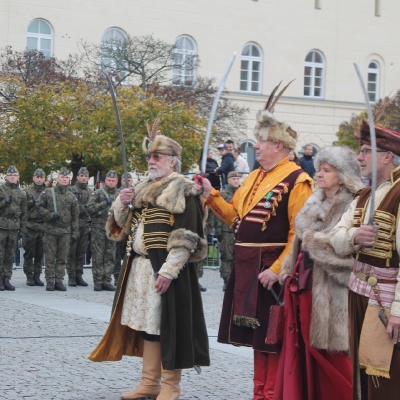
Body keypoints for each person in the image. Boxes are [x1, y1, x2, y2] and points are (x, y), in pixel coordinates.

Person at [196, 105, 313, 400]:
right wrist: (210, 192)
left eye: (261, 141)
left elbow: (298, 235)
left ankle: (272, 394)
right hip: (248, 265)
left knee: (272, 337)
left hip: (271, 269)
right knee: (258, 338)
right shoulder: (254, 177)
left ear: (279, 145)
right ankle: (259, 392)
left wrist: (278, 270)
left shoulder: (298, 181)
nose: (256, 146)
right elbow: (234, 214)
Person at [88, 131, 210, 400]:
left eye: (157, 156)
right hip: (139, 267)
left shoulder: (184, 190)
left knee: (167, 326)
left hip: (167, 269)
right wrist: (122, 201)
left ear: (173, 161)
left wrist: (168, 271)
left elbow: (186, 237)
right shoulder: (143, 187)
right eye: (149, 157)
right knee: (147, 326)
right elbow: (121, 226)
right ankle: (149, 382)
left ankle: (170, 386)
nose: (151, 161)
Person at [274, 146, 364, 400]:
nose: (320, 174)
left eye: (327, 170)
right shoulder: (314, 201)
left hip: (332, 293)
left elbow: (350, 252)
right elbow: (298, 242)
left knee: (333, 360)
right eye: (319, 169)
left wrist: (315, 242)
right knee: (300, 350)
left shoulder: (354, 205)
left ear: (343, 174)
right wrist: (288, 267)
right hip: (302, 287)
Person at [330, 120, 400, 400]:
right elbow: (335, 237)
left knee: (384, 376)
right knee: (361, 378)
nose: (359, 157)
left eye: (366, 150)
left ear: (387, 156)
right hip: (358, 295)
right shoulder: (365, 194)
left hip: (384, 301)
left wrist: (398, 311)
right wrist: (355, 236)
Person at [37, 167, 79, 291]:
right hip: (50, 230)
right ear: (57, 179)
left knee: (62, 258)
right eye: (62, 177)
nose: (64, 179)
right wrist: (49, 215)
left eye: (66, 177)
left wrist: (75, 233)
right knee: (50, 258)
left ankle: (59, 280)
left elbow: (75, 217)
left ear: (69, 179)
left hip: (65, 232)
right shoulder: (48, 193)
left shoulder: (72, 196)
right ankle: (50, 281)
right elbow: (38, 206)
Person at [86, 170, 119, 291]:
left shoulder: (120, 194)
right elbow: (89, 208)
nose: (111, 182)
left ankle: (107, 280)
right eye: (109, 180)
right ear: (105, 181)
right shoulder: (98, 193)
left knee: (110, 255)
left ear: (116, 182)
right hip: (99, 228)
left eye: (113, 180)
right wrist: (104, 203)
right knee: (98, 255)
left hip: (113, 228)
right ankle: (98, 281)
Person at [0, 166, 27, 291]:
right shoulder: (1, 189)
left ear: (18, 177)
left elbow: (24, 213)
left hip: (14, 228)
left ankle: (7, 278)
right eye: (10, 175)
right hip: (2, 227)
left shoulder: (22, 193)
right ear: (6, 176)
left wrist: (22, 230)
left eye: (15, 175)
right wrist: (3, 202)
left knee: (10, 254)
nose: (12, 177)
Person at [215, 171, 241, 291]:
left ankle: (236, 279)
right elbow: (219, 212)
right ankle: (226, 279)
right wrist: (218, 230)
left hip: (239, 229)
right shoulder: (224, 194)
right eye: (234, 179)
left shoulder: (242, 193)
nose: (236, 181)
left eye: (237, 178)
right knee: (226, 256)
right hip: (226, 230)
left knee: (238, 256)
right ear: (229, 181)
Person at [66, 167, 92, 287]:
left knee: (81, 252)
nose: (83, 178)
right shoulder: (71, 190)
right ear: (77, 177)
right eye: (81, 176)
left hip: (84, 225)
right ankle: (71, 276)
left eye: (85, 176)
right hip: (73, 225)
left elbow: (91, 207)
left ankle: (79, 275)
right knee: (72, 252)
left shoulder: (90, 191)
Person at [23, 168, 46, 286]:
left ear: (44, 179)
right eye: (37, 177)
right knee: (29, 252)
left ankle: (37, 275)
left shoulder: (48, 191)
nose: (39, 179)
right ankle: (29, 276)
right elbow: (23, 208)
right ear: (33, 178)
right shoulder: (27, 191)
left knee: (40, 253)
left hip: (43, 226)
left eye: (41, 177)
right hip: (30, 225)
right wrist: (32, 202)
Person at [113, 172, 133, 285]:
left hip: (130, 227)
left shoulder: (135, 192)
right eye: (124, 180)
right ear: (121, 181)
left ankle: (127, 275)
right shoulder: (117, 193)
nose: (127, 182)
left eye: (129, 180)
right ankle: (116, 276)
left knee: (128, 253)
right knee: (116, 253)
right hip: (118, 226)